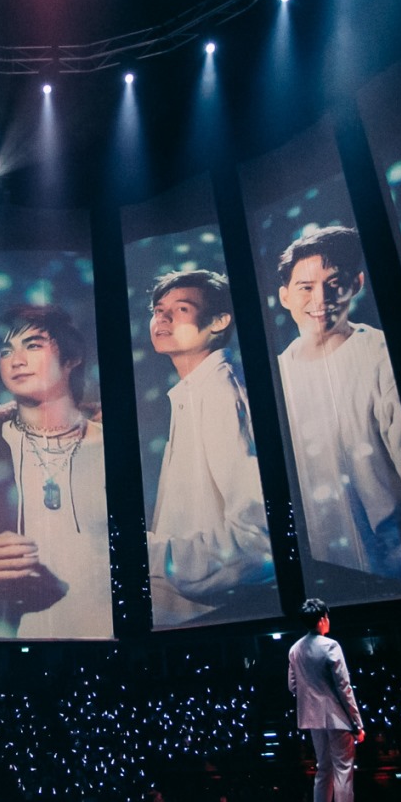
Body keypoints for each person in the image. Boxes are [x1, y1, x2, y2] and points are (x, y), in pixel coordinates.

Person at [273, 226, 401, 589]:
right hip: (318, 579)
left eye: (334, 283)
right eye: (306, 287)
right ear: (285, 296)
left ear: (356, 283)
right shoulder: (277, 377)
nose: (321, 298)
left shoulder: (382, 356)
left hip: (398, 574)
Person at [145, 269, 275, 627]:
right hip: (190, 615)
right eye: (158, 310)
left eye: (181, 309)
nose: (162, 318)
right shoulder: (193, 391)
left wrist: (150, 553)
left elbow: (258, 540)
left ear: (219, 321)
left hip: (216, 619)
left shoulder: (221, 393)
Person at [0, 304, 112, 640]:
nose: (16, 360)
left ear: (72, 358)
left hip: (111, 637)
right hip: (15, 638)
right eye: (6, 351)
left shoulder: (113, 446)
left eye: (33, 345)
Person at [287, 598, 368, 802]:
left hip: (312, 719)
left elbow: (292, 686)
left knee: (323, 771)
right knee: (343, 772)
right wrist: (357, 723)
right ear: (322, 619)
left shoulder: (295, 649)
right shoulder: (331, 646)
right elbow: (344, 687)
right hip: (336, 717)